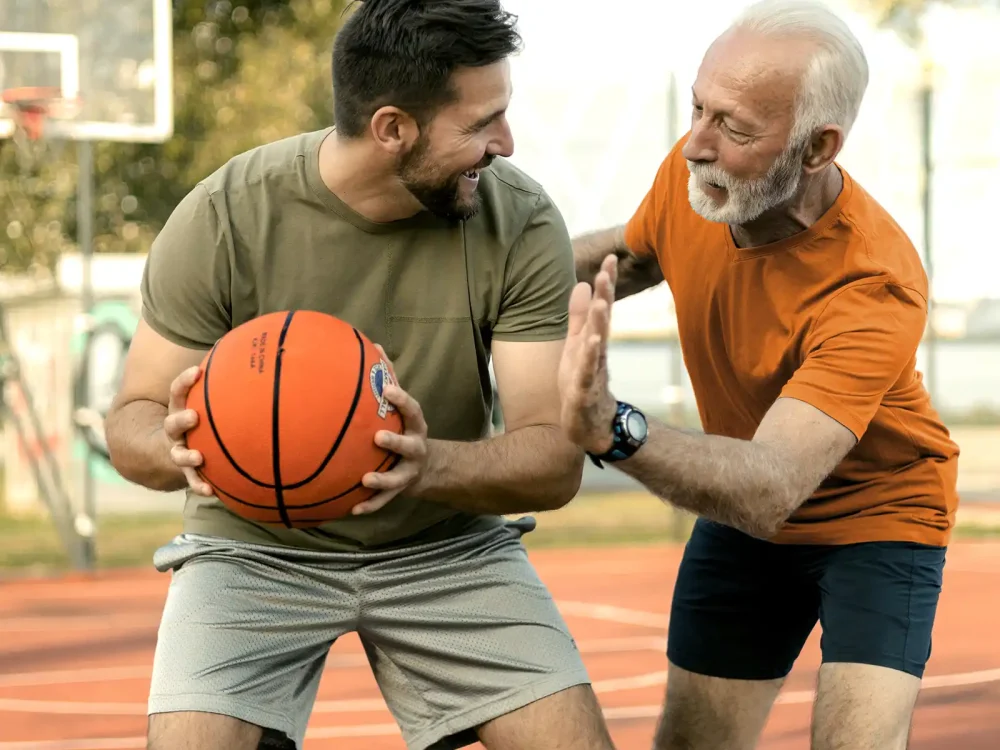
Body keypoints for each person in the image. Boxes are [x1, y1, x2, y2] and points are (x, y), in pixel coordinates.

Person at [103, 1, 617, 749]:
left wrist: (426, 465)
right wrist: (173, 445)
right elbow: (130, 422)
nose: (505, 143)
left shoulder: (522, 221)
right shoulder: (225, 215)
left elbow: (552, 462)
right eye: (481, 124)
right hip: (254, 549)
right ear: (391, 129)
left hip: (448, 547)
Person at [562, 1, 960, 748]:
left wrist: (611, 426)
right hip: (744, 509)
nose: (695, 145)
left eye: (734, 127)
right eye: (697, 108)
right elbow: (632, 253)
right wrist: (485, 278)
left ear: (817, 148)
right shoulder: (700, 183)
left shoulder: (872, 280)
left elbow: (773, 483)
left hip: (874, 516)